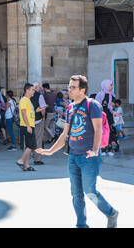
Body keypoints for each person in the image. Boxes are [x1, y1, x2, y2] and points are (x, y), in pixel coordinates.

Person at [35, 75, 119, 228]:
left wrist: (95, 150)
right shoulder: (70, 107)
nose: (69, 89)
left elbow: (98, 129)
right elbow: (64, 134)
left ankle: (111, 213)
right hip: (73, 156)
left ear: (82, 90)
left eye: (73, 87)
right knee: (76, 194)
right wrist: (50, 151)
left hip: (89, 156)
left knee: (90, 191)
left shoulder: (92, 105)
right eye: (69, 86)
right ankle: (81, 225)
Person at [16, 83, 37, 172]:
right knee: (32, 145)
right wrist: (28, 126)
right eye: (32, 89)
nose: (34, 91)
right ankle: (21, 160)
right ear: (27, 90)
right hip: (26, 125)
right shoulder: (24, 100)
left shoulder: (28, 100)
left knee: (28, 146)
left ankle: (26, 165)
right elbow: (23, 113)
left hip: (30, 125)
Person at [30, 82, 47, 165]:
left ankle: (27, 156)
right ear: (36, 87)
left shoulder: (25, 95)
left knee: (29, 139)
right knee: (38, 139)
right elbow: (43, 108)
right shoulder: (39, 96)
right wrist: (43, 117)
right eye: (39, 87)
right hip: (38, 120)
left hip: (28, 121)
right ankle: (37, 159)